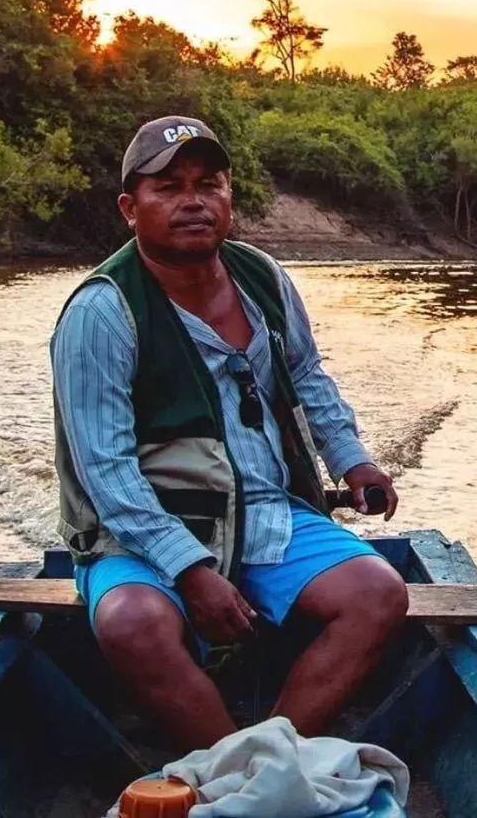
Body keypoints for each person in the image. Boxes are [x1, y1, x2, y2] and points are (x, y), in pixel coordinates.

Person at [50, 115, 408, 749]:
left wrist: (353, 463)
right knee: (133, 625)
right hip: (143, 528)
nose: (193, 201)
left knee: (377, 594)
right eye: (169, 187)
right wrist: (190, 570)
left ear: (229, 196)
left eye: (208, 183)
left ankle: (269, 752)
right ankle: (233, 771)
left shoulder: (263, 277)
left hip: (266, 510)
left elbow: (307, 376)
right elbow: (105, 471)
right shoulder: (102, 312)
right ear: (131, 208)